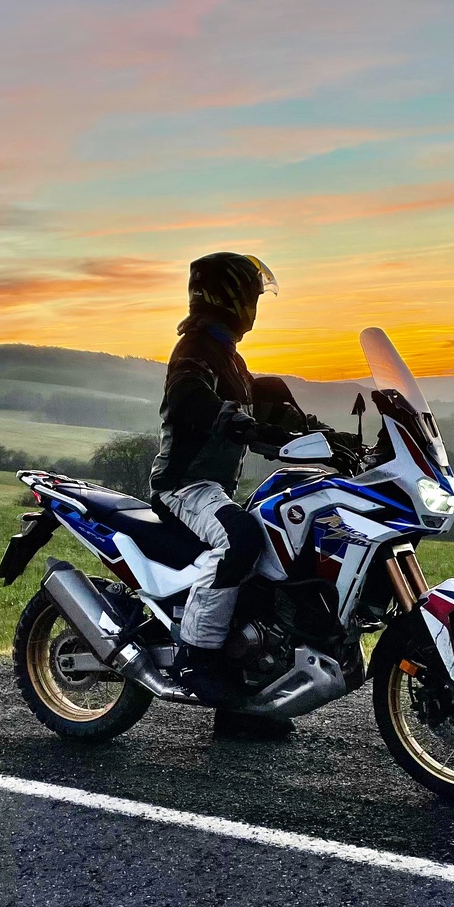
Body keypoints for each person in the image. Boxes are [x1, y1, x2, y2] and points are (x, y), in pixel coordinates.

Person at [149, 252, 299, 734]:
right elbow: (189, 398)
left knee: (276, 544)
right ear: (230, 298)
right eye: (253, 297)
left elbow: (263, 405)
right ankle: (198, 657)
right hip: (182, 486)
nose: (255, 308)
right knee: (241, 539)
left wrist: (320, 434)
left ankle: (242, 698)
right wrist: (229, 418)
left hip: (211, 488)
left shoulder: (230, 357)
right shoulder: (194, 349)